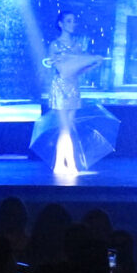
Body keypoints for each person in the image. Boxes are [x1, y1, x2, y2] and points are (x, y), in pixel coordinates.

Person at [45, 11, 103, 175]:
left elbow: (79, 70)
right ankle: (69, 164)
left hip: (73, 87)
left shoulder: (77, 45)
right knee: (65, 128)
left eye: (74, 21)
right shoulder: (55, 45)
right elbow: (60, 69)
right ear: (61, 24)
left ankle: (60, 164)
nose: (73, 24)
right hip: (60, 87)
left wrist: (94, 64)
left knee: (68, 128)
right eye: (69, 21)